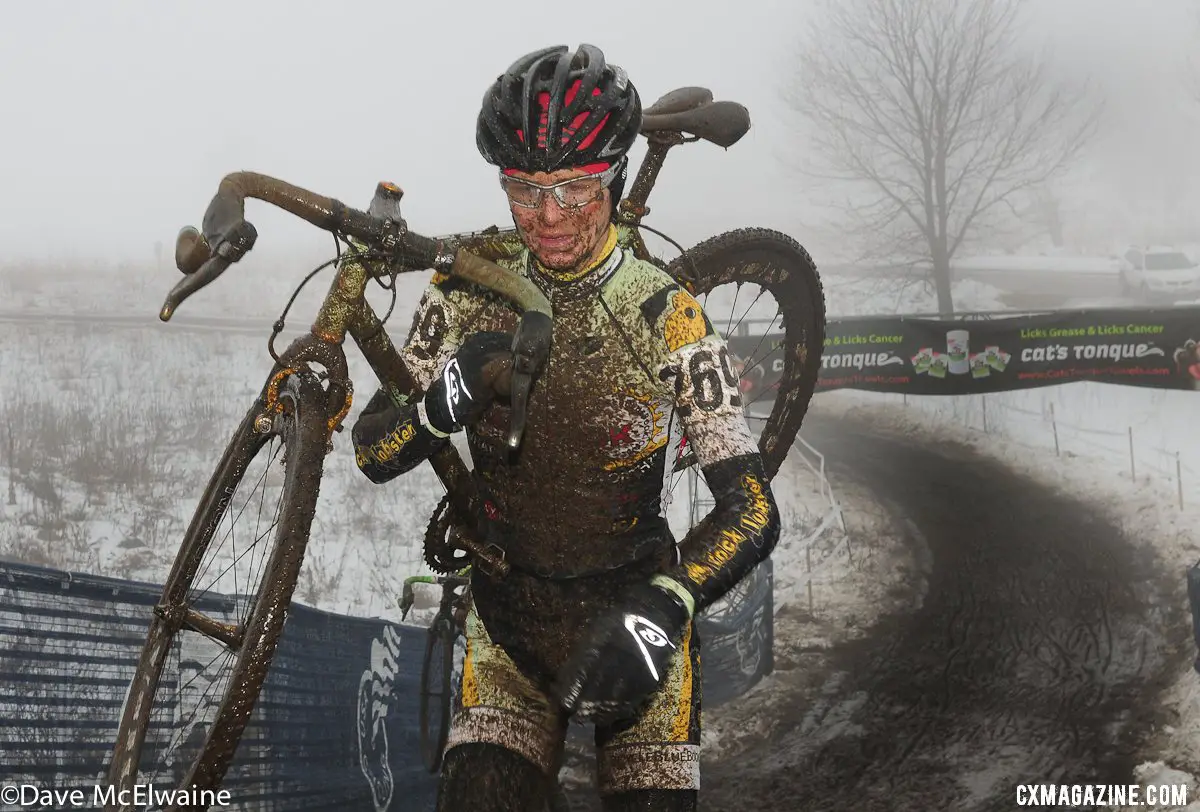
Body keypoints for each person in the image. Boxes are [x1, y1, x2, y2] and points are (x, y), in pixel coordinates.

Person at [351, 43, 780, 812]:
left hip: (637, 627)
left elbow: (751, 509)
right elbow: (373, 451)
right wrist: (439, 403)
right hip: (508, 635)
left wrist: (668, 605)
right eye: (524, 188)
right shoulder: (466, 287)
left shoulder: (667, 313)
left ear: (613, 177)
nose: (548, 217)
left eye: (575, 189)